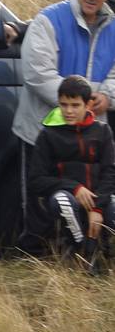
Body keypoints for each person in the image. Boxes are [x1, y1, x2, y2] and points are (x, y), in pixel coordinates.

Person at [13, 0, 115, 216]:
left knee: (88, 202)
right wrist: (84, 100)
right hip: (41, 130)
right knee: (38, 204)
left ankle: (75, 253)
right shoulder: (48, 19)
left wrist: (107, 96)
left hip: (91, 137)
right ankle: (37, 253)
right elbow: (38, 75)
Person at [26, 75, 115, 268]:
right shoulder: (47, 135)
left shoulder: (103, 131)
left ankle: (106, 254)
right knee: (63, 201)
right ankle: (82, 254)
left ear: (88, 104)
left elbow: (110, 173)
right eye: (63, 104)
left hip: (99, 198)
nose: (68, 111)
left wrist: (98, 207)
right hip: (64, 196)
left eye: (75, 105)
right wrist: (74, 187)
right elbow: (35, 180)